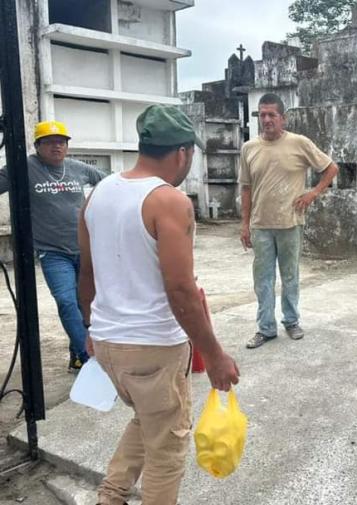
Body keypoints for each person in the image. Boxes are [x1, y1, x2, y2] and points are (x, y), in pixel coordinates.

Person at [78, 105, 240, 505]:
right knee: (168, 451)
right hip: (154, 348)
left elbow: (86, 274)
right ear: (182, 153)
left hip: (110, 345)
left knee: (148, 420)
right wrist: (214, 354)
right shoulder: (169, 201)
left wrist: (90, 330)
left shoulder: (98, 194)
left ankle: (110, 497)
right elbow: (182, 291)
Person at [0, 120, 105, 371]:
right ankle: (89, 358)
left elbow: (111, 184)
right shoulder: (24, 167)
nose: (56, 146)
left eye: (61, 142)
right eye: (49, 142)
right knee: (67, 301)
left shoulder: (77, 168)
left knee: (87, 304)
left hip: (85, 248)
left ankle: (77, 354)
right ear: (37, 146)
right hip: (53, 252)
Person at [239, 93, 339, 349]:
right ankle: (266, 328)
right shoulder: (249, 148)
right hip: (260, 225)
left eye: (272, 114)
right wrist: (244, 224)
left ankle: (292, 321)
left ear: (283, 118)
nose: (267, 119)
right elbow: (246, 189)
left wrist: (313, 193)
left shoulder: (299, 143)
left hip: (291, 223)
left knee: (290, 276)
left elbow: (331, 168)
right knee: (262, 279)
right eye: (262, 114)